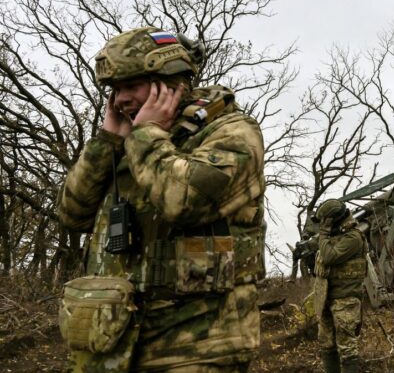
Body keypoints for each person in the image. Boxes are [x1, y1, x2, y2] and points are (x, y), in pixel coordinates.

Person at [57, 27, 266, 372]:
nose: (120, 99)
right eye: (114, 90)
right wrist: (106, 142)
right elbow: (72, 214)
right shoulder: (128, 141)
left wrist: (145, 137)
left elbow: (183, 201)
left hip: (195, 345)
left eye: (131, 86)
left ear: (172, 83)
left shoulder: (232, 132)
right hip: (111, 338)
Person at [312, 199, 367, 373]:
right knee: (326, 343)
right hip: (327, 297)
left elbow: (329, 257)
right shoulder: (335, 236)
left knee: (347, 347)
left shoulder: (353, 237)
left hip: (345, 299)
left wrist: (323, 233)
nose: (322, 225)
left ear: (333, 220)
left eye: (325, 221)